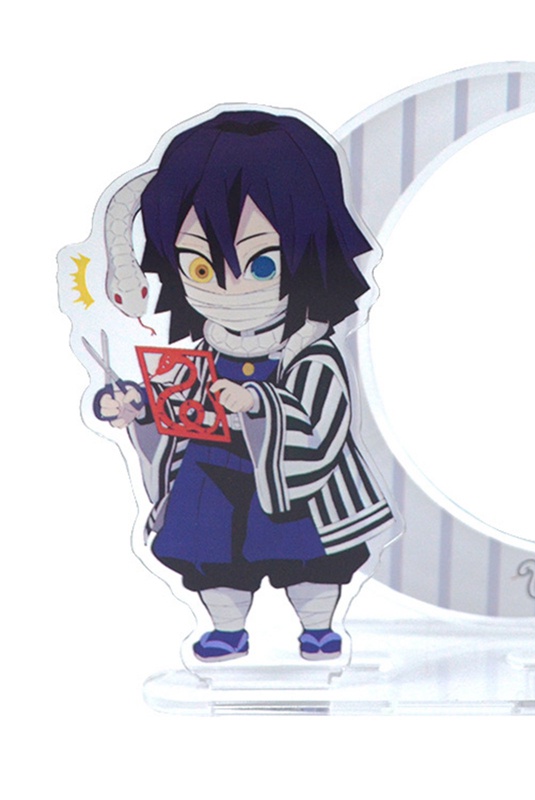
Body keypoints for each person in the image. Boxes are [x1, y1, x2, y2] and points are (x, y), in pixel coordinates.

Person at [95, 110, 394, 662]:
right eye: (200, 269)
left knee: (306, 550)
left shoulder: (310, 351)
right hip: (211, 470)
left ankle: (317, 625)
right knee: (211, 549)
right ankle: (226, 628)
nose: (227, 288)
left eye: (260, 267)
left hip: (289, 476)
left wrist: (260, 401)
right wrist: (137, 406)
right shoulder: (208, 349)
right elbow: (179, 402)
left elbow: (325, 423)